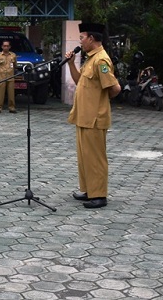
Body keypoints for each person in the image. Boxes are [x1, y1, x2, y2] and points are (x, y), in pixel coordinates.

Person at [66, 22, 121, 209]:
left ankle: (99, 195)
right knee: (85, 157)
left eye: (82, 38)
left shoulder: (101, 60)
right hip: (83, 117)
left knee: (96, 158)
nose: (80, 41)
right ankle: (89, 190)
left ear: (91, 38)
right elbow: (79, 81)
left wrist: (99, 103)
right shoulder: (90, 58)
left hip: (95, 118)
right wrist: (71, 64)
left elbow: (115, 88)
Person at [0, 40, 18, 113]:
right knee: (0, 94)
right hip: (1, 76)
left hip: (10, 76)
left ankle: (12, 107)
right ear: (2, 46)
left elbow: (15, 65)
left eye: (7, 46)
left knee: (11, 94)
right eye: (4, 46)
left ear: (10, 47)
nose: (6, 47)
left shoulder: (13, 55)